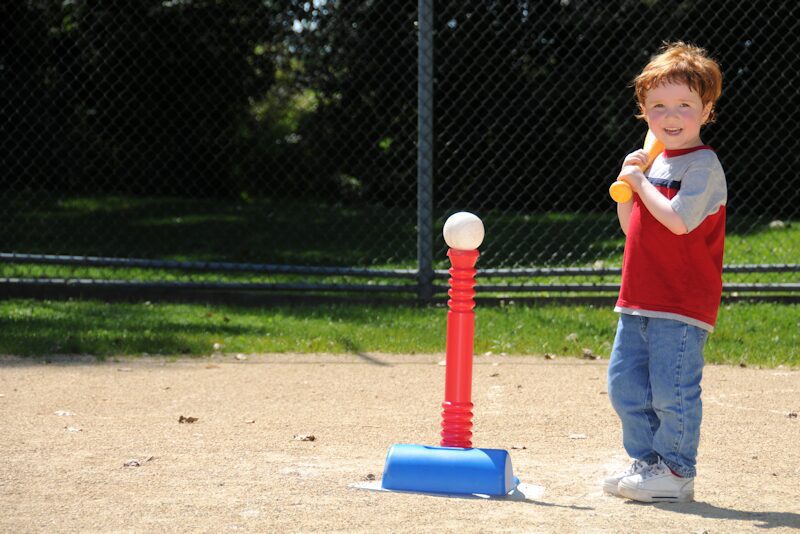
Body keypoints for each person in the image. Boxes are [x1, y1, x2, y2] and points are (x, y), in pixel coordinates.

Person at [603, 42, 726, 503]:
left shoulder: (703, 164)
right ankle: (647, 463)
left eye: (684, 106)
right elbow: (634, 226)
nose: (670, 116)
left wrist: (640, 183)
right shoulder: (655, 162)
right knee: (625, 385)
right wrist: (629, 189)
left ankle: (676, 471)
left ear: (706, 110)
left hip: (680, 301)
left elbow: (677, 220)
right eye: (658, 106)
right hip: (638, 296)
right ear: (644, 111)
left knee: (670, 391)